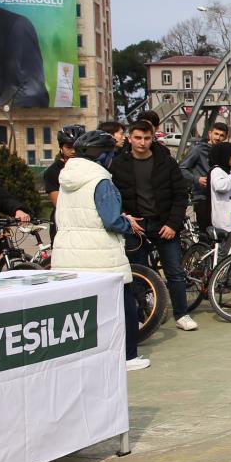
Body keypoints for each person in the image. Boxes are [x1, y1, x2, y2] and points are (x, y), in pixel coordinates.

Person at [53, 131, 146, 370]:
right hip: (101, 254)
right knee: (124, 305)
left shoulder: (67, 178)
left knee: (82, 312)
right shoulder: (101, 180)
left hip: (68, 253)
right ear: (103, 156)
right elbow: (111, 220)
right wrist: (128, 224)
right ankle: (128, 357)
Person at [109, 120, 196, 332]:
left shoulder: (166, 162)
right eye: (138, 138)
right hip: (135, 226)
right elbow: (113, 196)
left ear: (153, 138)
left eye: (147, 138)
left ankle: (181, 314)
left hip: (164, 224)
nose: (142, 142)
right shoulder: (118, 164)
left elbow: (180, 195)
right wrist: (125, 216)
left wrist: (173, 224)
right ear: (129, 138)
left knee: (174, 272)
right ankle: (141, 316)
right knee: (138, 273)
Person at [180, 121, 230, 232]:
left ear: (226, 137)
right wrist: (197, 179)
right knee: (205, 233)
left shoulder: (224, 152)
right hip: (202, 198)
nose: (218, 138)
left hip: (220, 199)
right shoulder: (198, 149)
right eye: (216, 134)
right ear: (210, 133)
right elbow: (182, 169)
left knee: (222, 233)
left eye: (222, 135)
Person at [43, 123, 84, 233]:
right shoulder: (53, 171)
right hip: (63, 224)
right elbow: (59, 203)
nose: (73, 151)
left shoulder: (90, 167)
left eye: (76, 147)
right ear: (61, 148)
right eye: (69, 147)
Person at [206, 141, 231, 235]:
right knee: (227, 243)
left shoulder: (227, 170)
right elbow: (220, 186)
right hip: (223, 221)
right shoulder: (216, 171)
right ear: (225, 156)